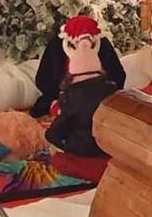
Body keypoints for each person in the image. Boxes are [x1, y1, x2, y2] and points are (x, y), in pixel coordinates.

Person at [44, 15, 120, 157]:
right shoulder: (55, 47)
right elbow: (44, 80)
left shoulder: (103, 46)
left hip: (82, 143)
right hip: (107, 139)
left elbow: (52, 135)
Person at [30, 10, 126, 117]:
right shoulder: (56, 46)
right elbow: (42, 79)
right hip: (62, 97)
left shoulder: (103, 45)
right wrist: (60, 97)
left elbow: (118, 76)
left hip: (98, 99)